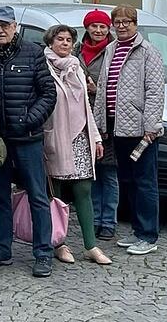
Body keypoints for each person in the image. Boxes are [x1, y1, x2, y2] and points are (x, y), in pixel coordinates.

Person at [0, 6, 57, 278]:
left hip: (27, 139)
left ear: (14, 27)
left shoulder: (33, 53)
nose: (0, 30)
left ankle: (43, 252)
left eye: (5, 25)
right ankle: (1, 249)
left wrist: (28, 120)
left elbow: (48, 94)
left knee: (37, 196)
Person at [94, 4, 165, 256]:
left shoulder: (148, 52)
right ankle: (137, 230)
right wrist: (100, 124)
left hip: (140, 130)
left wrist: (151, 126)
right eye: (118, 22)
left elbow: (155, 91)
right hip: (117, 127)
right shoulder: (111, 48)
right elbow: (103, 88)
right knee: (128, 181)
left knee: (145, 182)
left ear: (135, 24)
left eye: (127, 22)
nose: (122, 26)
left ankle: (148, 234)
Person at [42, 25, 112, 266]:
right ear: (50, 43)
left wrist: (95, 137)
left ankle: (90, 245)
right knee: (57, 193)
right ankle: (58, 243)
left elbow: (86, 105)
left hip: (81, 136)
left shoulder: (76, 67)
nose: (64, 43)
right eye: (59, 39)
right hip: (56, 136)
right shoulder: (43, 67)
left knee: (84, 190)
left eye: (68, 39)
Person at [74, 9, 119, 240]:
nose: (99, 30)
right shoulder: (77, 51)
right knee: (90, 174)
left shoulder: (115, 51)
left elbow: (120, 84)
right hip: (82, 120)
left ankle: (108, 221)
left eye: (103, 26)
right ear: (87, 28)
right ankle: (94, 218)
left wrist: (97, 89)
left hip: (107, 120)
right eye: (94, 26)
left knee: (108, 173)